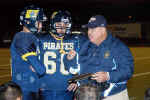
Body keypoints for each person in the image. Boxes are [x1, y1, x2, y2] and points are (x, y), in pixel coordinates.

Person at [67, 15, 134, 100]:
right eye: (88, 29)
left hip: (112, 96)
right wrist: (69, 60)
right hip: (86, 95)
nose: (89, 32)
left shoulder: (118, 46)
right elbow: (76, 68)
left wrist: (108, 76)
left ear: (103, 29)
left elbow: (128, 70)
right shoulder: (84, 45)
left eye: (93, 29)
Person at [36, 10, 87, 100]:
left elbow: (84, 63)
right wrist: (35, 82)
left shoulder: (76, 40)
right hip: (46, 88)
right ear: (52, 24)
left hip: (67, 88)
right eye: (59, 24)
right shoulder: (40, 39)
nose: (62, 27)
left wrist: (78, 80)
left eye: (65, 24)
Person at [10, 5, 47, 100]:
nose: (41, 25)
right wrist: (38, 66)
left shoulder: (30, 37)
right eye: (39, 22)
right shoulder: (23, 38)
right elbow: (40, 69)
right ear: (30, 21)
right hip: (24, 88)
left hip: (30, 86)